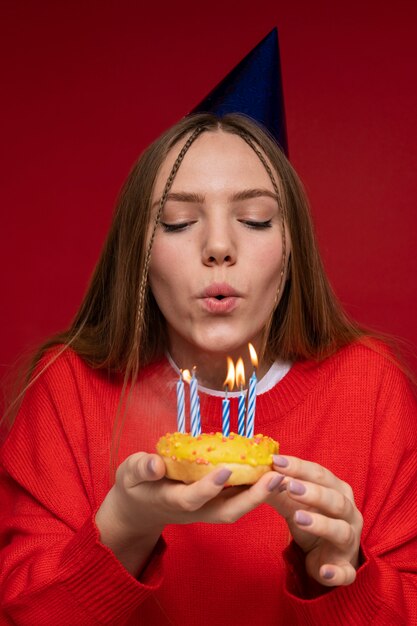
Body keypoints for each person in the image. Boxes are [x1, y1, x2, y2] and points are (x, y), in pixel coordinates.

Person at [1, 113, 416, 626]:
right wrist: (125, 527)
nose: (219, 248)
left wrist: (340, 568)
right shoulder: (68, 388)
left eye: (256, 219)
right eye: (177, 222)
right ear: (141, 254)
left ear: (290, 250)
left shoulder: (370, 386)